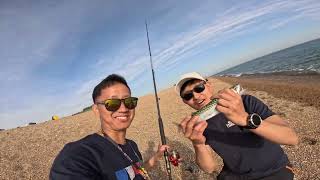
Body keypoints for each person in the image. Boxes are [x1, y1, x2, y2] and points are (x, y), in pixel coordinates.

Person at [176, 72, 298, 180]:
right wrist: (198, 144)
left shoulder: (246, 101)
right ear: (185, 101)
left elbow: (292, 138)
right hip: (234, 174)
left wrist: (245, 119)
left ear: (208, 85)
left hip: (273, 170)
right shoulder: (198, 125)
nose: (196, 97)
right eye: (188, 96)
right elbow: (209, 168)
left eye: (199, 88)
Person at [50, 74, 168, 180]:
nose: (124, 109)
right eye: (112, 103)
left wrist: (156, 156)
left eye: (129, 101)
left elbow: (136, 172)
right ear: (96, 110)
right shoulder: (77, 155)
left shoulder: (132, 145)